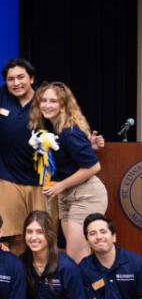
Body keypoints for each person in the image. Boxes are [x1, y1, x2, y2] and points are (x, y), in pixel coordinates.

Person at [28, 82, 108, 262]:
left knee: (76, 256)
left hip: (85, 195)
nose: (47, 105)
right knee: (77, 255)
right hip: (66, 197)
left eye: (53, 101)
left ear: (63, 105)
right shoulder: (50, 129)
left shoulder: (69, 132)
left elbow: (94, 167)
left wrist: (59, 186)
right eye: (43, 100)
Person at [0, 59, 46, 255]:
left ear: (32, 78)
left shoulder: (45, 100)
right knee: (14, 237)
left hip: (42, 182)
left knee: (42, 235)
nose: (16, 83)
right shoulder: (0, 96)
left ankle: (44, 282)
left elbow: (68, 123)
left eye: (21, 77)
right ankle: (19, 281)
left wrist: (89, 137)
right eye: (10, 79)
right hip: (9, 180)